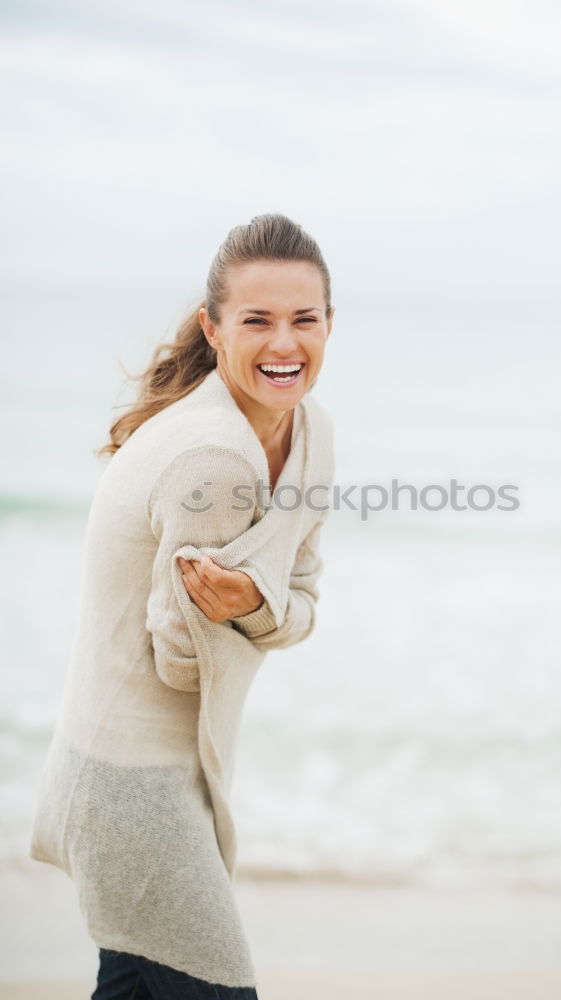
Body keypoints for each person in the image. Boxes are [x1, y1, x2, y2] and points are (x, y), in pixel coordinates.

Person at [27, 213, 336, 997]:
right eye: (256, 320)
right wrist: (262, 613)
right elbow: (183, 658)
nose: (283, 344)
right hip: (128, 784)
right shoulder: (213, 457)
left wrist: (254, 607)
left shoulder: (312, 435)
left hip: (180, 776)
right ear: (213, 327)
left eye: (304, 319)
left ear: (330, 324)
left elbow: (301, 599)